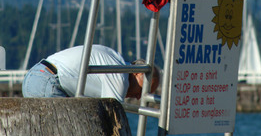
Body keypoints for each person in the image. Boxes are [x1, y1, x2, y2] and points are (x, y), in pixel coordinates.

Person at [22, 44, 159, 102]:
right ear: (136, 73)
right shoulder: (119, 75)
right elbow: (113, 118)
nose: (139, 97)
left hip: (37, 75)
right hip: (48, 82)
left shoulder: (115, 60)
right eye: (142, 90)